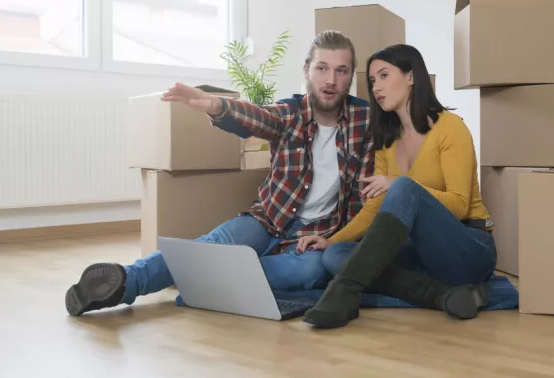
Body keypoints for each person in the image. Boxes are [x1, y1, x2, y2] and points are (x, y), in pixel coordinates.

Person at [65, 30, 377, 317]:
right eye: (322, 68)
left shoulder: (365, 121)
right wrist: (217, 106)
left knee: (310, 271)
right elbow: (257, 116)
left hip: (315, 237)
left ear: (351, 76)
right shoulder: (289, 113)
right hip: (267, 220)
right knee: (214, 243)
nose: (330, 80)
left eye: (341, 71)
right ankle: (125, 283)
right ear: (307, 69)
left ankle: (207, 279)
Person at [296, 44, 496, 329]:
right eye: (373, 80)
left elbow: (461, 205)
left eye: (385, 75)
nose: (376, 87)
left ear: (411, 77)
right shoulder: (387, 140)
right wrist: (333, 239)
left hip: (468, 248)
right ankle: (444, 295)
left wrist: (399, 184)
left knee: (403, 188)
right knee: (336, 256)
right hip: (421, 254)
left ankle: (343, 292)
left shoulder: (450, 128)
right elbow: (375, 206)